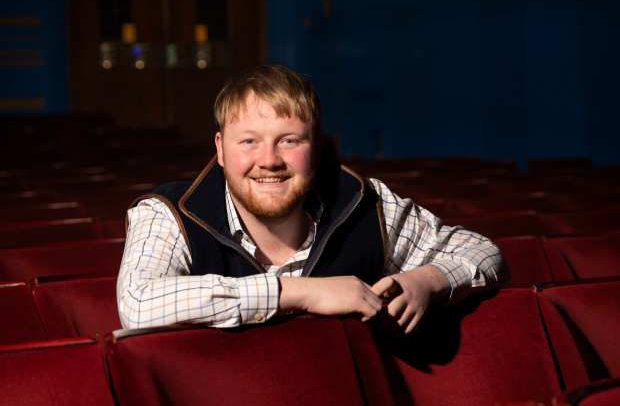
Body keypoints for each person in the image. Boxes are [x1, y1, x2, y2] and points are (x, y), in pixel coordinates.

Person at [117, 64, 505, 334]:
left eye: (289, 140)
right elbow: (138, 304)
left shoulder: (365, 204)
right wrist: (299, 293)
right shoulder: (169, 213)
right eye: (249, 141)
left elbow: (483, 252)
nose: (269, 160)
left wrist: (428, 279)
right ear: (220, 149)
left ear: (316, 148)